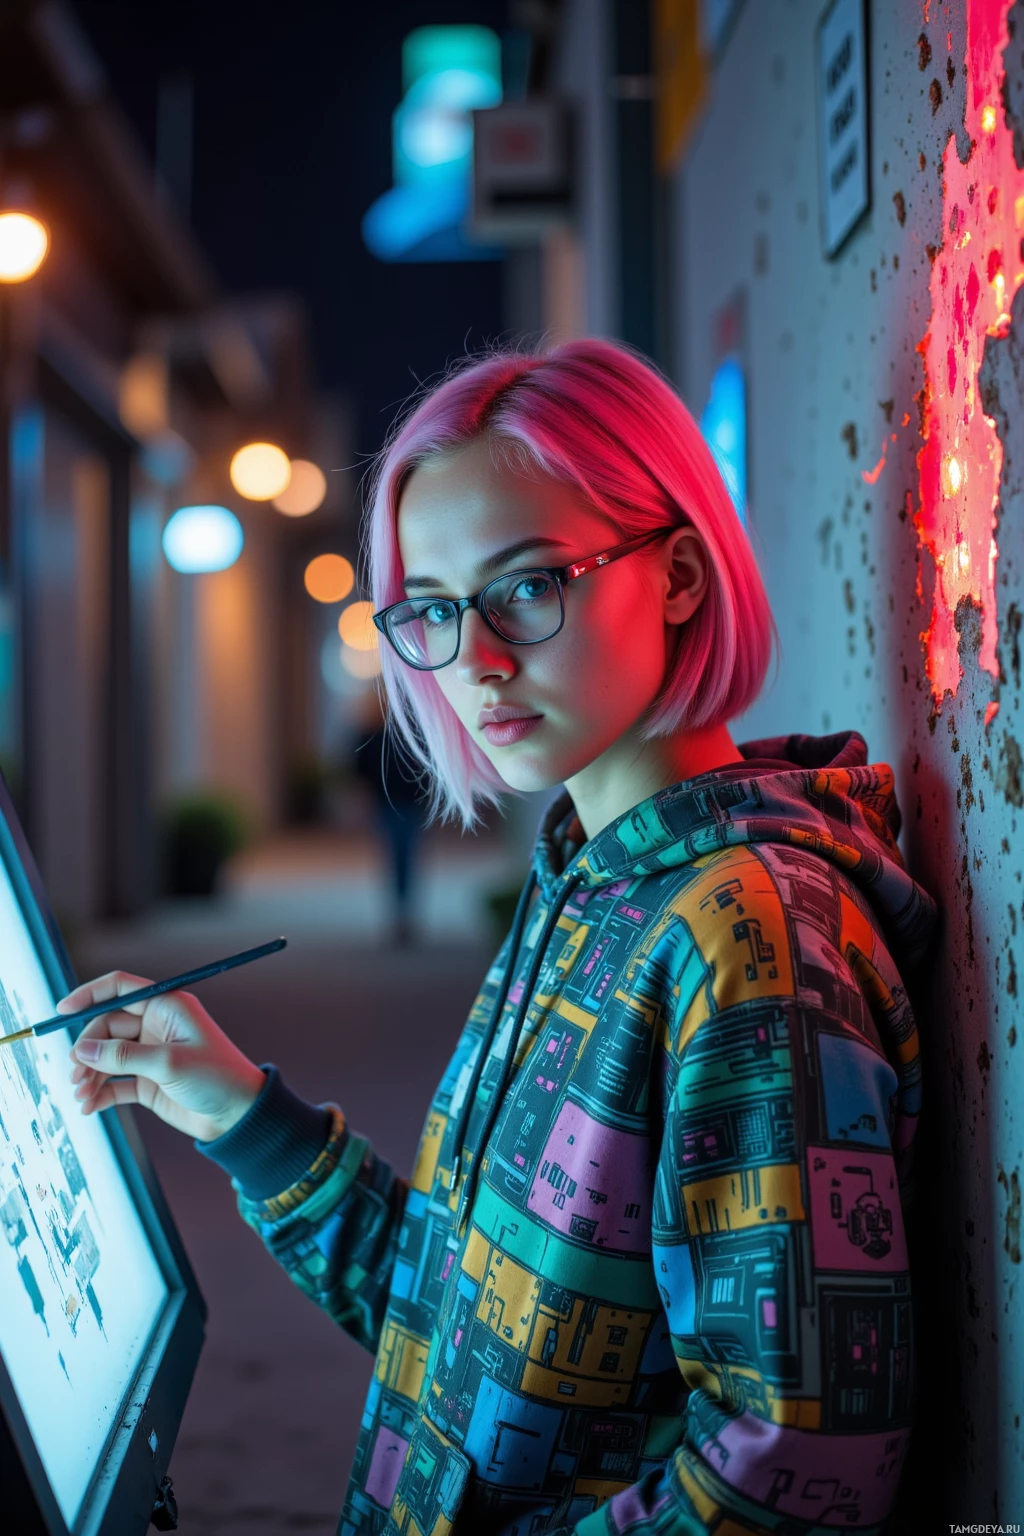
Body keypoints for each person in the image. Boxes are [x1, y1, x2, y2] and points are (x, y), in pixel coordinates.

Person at [64, 339, 937, 1536]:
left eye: (529, 586)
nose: (472, 661)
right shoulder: (591, 881)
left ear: (679, 573)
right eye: (429, 608)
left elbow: (796, 1475)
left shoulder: (744, 941)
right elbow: (474, 1342)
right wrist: (240, 1116)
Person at [350, 684, 426, 946]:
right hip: (391, 805)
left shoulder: (405, 732)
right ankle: (400, 914)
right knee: (399, 859)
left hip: (405, 804)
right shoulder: (371, 735)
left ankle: (402, 914)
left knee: (402, 859)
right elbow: (359, 773)